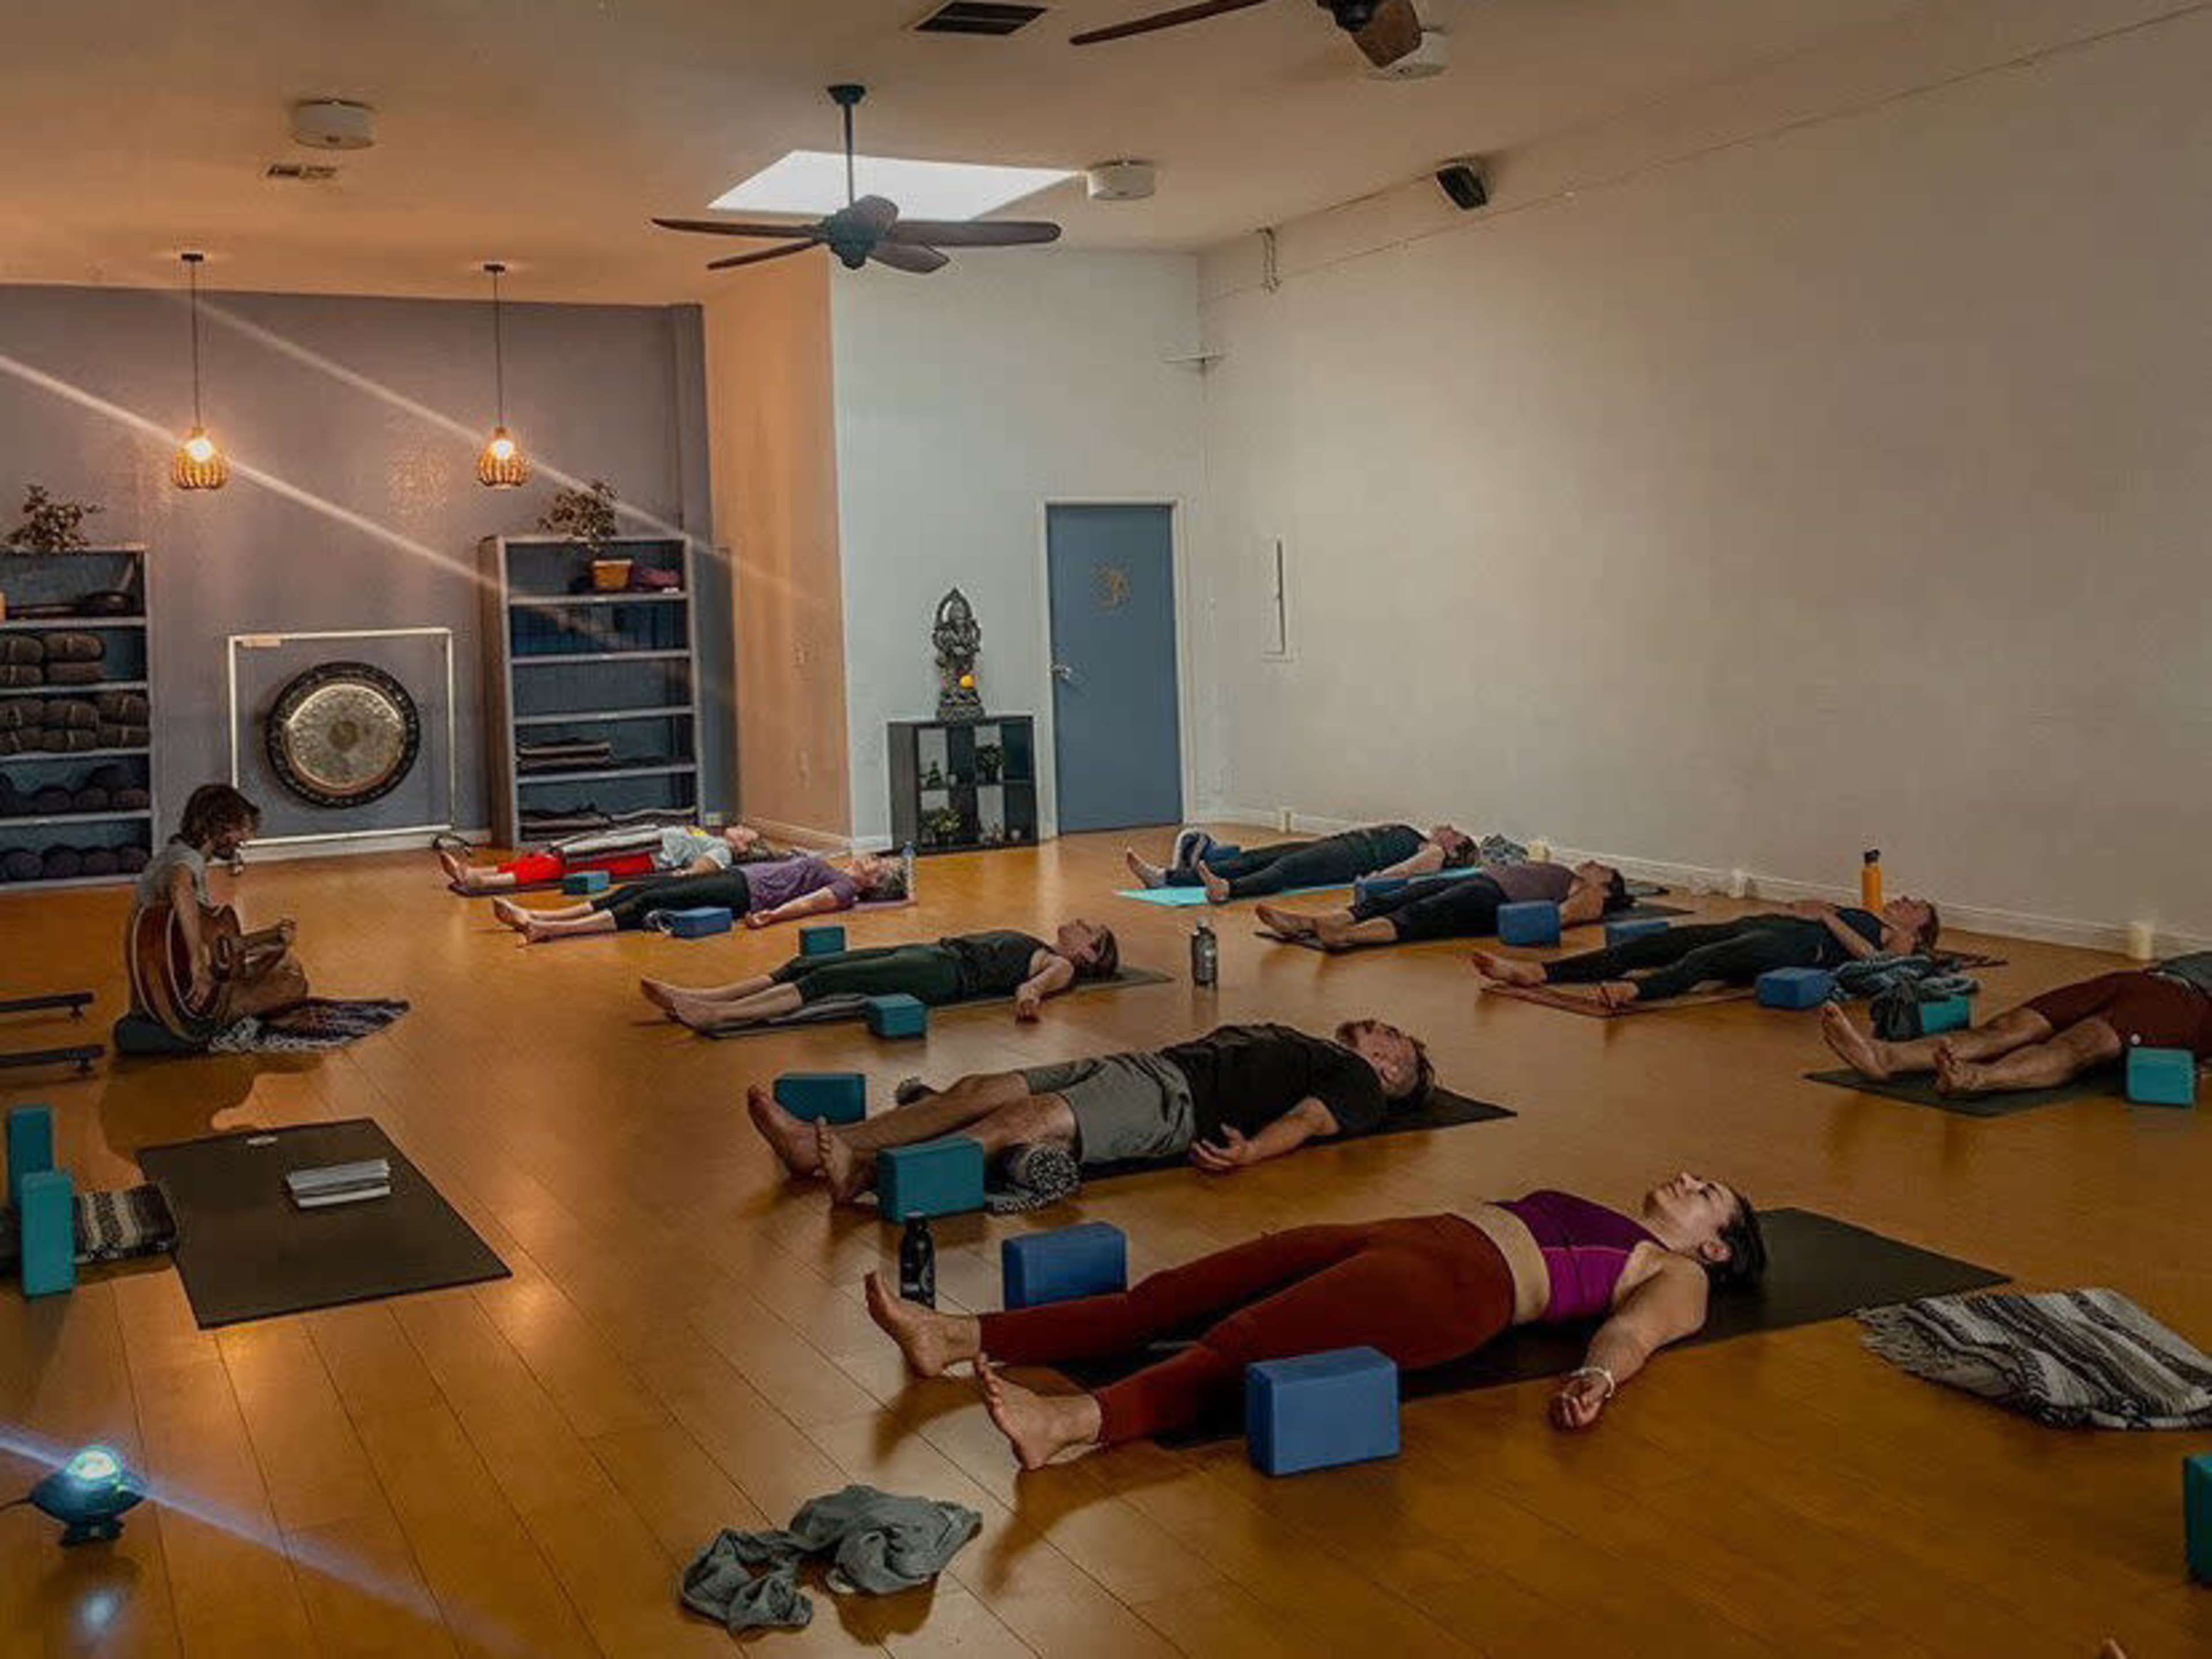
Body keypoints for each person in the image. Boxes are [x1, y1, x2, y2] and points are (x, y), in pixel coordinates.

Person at [862, 1172, 1766, 1467]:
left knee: (1246, 1343)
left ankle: (1073, 1423)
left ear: (1717, 1246)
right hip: (1407, 1236)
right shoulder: (1612, 1215)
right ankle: (958, 1336)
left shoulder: (1678, 1274)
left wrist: (1598, 1376)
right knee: (1170, 1297)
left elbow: (1633, 1333)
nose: (1687, 1179)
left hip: (1456, 1293)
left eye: (1707, 1193)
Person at [744, 1019, 1431, 1202]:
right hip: (1148, 1066)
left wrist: (1252, 1151)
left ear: (1392, 1074)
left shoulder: (1359, 1086)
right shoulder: (1323, 1047)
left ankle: (872, 1173)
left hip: (1173, 1103)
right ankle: (822, 1144)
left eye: (1396, 1048)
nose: (1386, 1037)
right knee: (979, 1089)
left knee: (1020, 1122)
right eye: (1389, 1036)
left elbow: (1309, 1121)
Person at [1820, 955, 2212, 1097]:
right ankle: (1886, 1057)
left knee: (2079, 1043)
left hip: (2189, 1005)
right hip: (2139, 979)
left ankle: (1977, 1078)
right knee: (2007, 1026)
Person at [649, 921, 1119, 1033]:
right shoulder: (1044, 945)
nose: (1080, 922)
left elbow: (1032, 987)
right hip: (933, 952)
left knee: (828, 982)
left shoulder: (1060, 966)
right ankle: (706, 996)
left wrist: (1030, 999)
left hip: (944, 973)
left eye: (1089, 931)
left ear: (1088, 954)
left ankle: (722, 1017)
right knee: (808, 965)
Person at [1473, 897, 1941, 1010]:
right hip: (1768, 926)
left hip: (1797, 947)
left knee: (1703, 962)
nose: (1904, 900)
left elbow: (1871, 960)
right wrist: (1810, 910)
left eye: (1915, 905)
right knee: (1650, 945)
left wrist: (1829, 919)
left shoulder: (1900, 939)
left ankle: (1638, 991)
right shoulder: (1868, 913)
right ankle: (1541, 972)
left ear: (1921, 929)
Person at [130, 783, 308, 1022]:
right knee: (292, 983)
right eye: (238, 829)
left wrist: (270, 937)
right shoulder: (188, 860)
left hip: (160, 996)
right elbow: (180, 887)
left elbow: (215, 948)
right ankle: (224, 1023)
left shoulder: (173, 855)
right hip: (185, 1001)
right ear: (213, 826)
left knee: (282, 958)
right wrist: (198, 967)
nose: (245, 839)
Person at [492, 850, 906, 944]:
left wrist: (773, 916)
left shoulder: (845, 888)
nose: (871, 860)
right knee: (638, 888)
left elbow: (812, 905)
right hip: (736, 877)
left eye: (879, 866)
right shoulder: (839, 869)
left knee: (646, 904)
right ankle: (544, 916)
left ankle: (549, 930)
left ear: (873, 883)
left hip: (744, 894)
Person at [1258, 858, 1632, 950]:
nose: (1592, 863)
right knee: (1397, 897)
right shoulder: (1564, 872)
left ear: (1606, 885)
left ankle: (1346, 936)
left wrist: (1590, 898)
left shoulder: (1592, 893)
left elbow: (1566, 915)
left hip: (1494, 897)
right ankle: (1311, 923)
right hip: (1480, 880)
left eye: (1601, 867)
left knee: (1421, 915)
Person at [1125, 823, 1476, 904]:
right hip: (1336, 846)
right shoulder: (1419, 835)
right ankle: (1166, 878)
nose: (1448, 826)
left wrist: (1376, 879)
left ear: (1454, 848)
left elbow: (1407, 871)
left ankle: (1228, 889)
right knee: (1254, 858)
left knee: (1286, 871)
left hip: (1348, 860)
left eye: (1455, 832)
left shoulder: (1434, 853)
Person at [441, 821, 770, 895]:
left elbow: (707, 865)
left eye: (746, 833)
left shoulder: (722, 850)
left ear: (742, 849)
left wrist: (687, 876)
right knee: (556, 853)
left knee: (563, 863)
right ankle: (480, 870)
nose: (740, 828)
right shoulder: (711, 836)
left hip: (644, 856)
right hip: (640, 841)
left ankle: (485, 882)